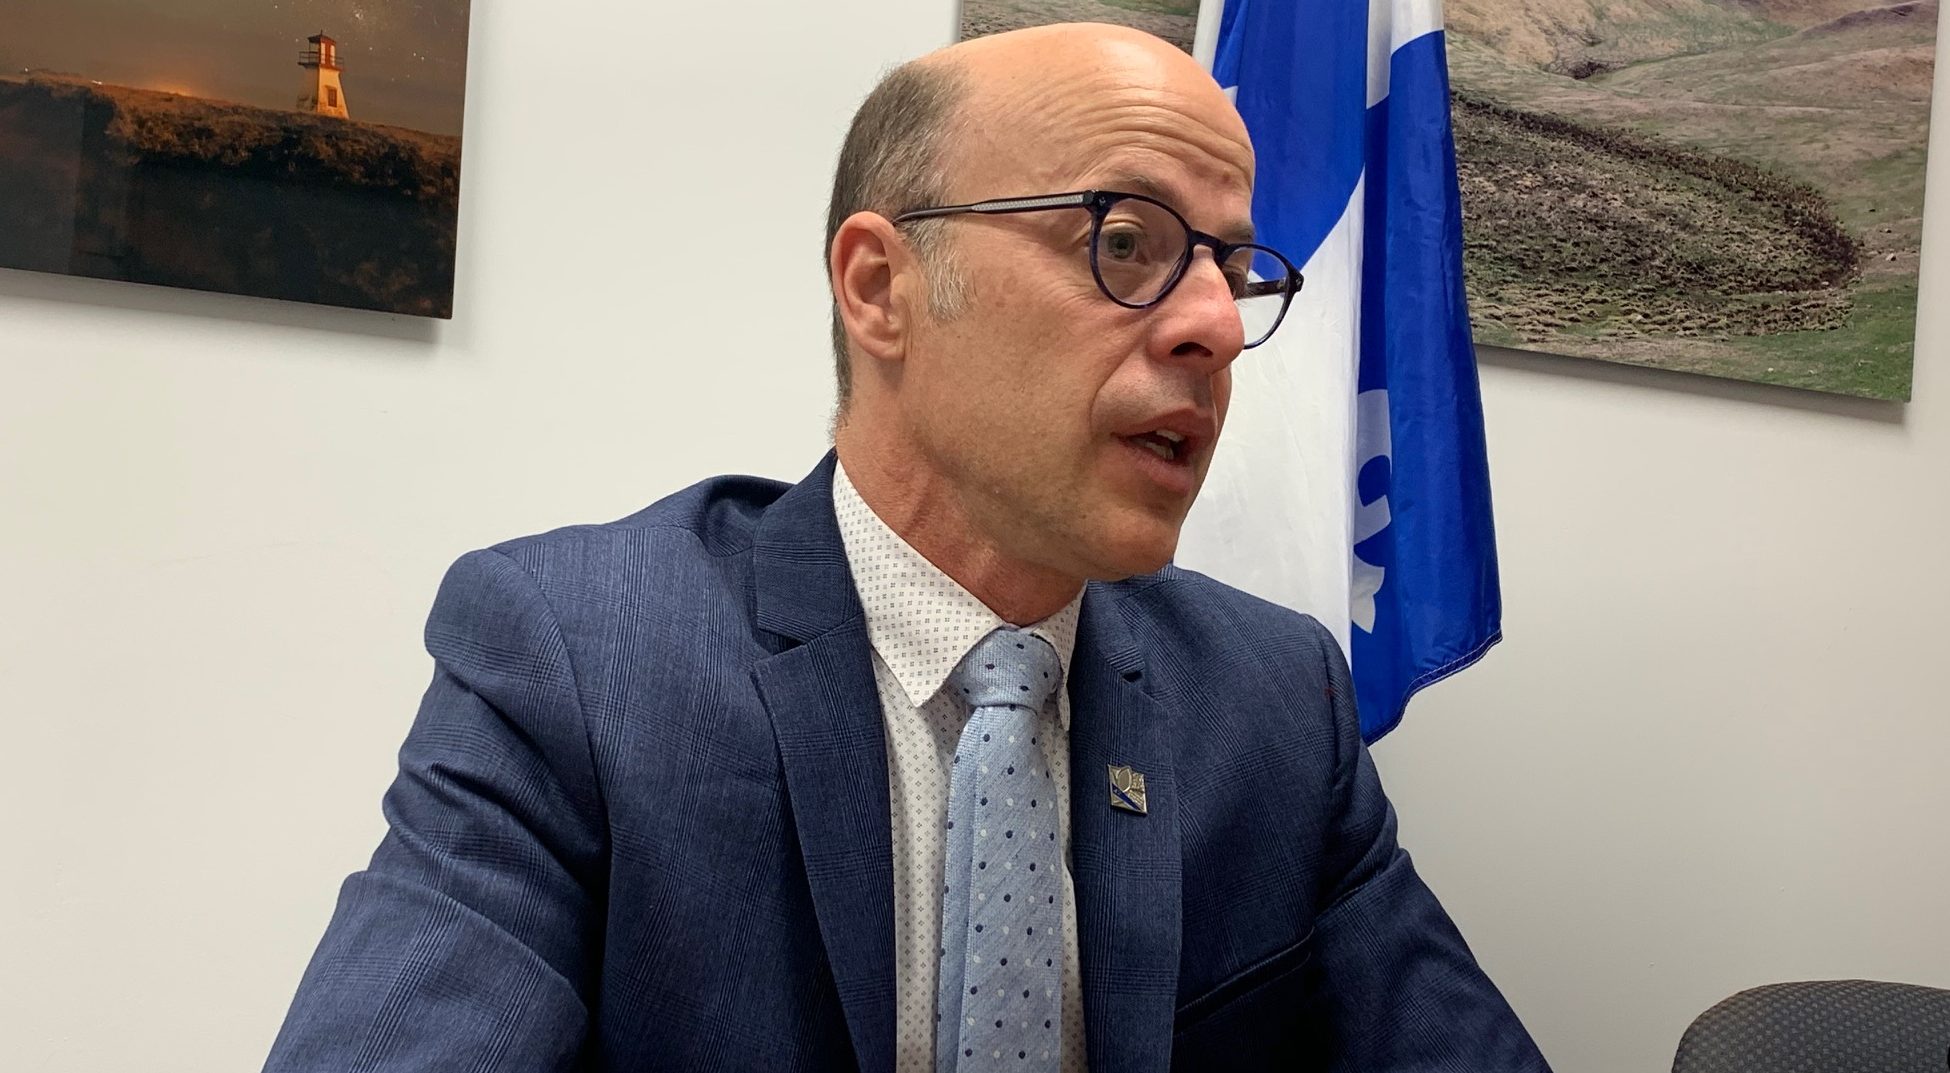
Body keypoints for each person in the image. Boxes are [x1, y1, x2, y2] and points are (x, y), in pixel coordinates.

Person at [264, 22, 1551, 1073]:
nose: (1216, 324)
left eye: (1232, 267)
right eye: (1126, 242)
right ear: (882, 287)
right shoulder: (578, 660)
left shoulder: (1275, 698)